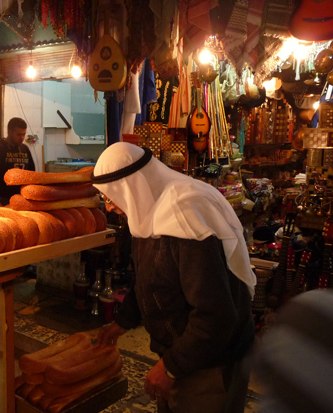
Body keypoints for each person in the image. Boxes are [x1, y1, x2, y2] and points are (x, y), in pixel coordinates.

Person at [92, 142, 257, 413]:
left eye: (110, 198)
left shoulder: (184, 212)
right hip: (184, 352)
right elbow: (150, 278)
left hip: (213, 359)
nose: (109, 208)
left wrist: (169, 368)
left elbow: (215, 314)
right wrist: (123, 321)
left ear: (133, 187)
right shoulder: (150, 210)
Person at [0, 117, 36, 206]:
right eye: (18, 135)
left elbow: (32, 173)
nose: (22, 138)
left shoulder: (24, 149)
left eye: (23, 134)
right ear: (9, 132)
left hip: (22, 197)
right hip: (3, 198)